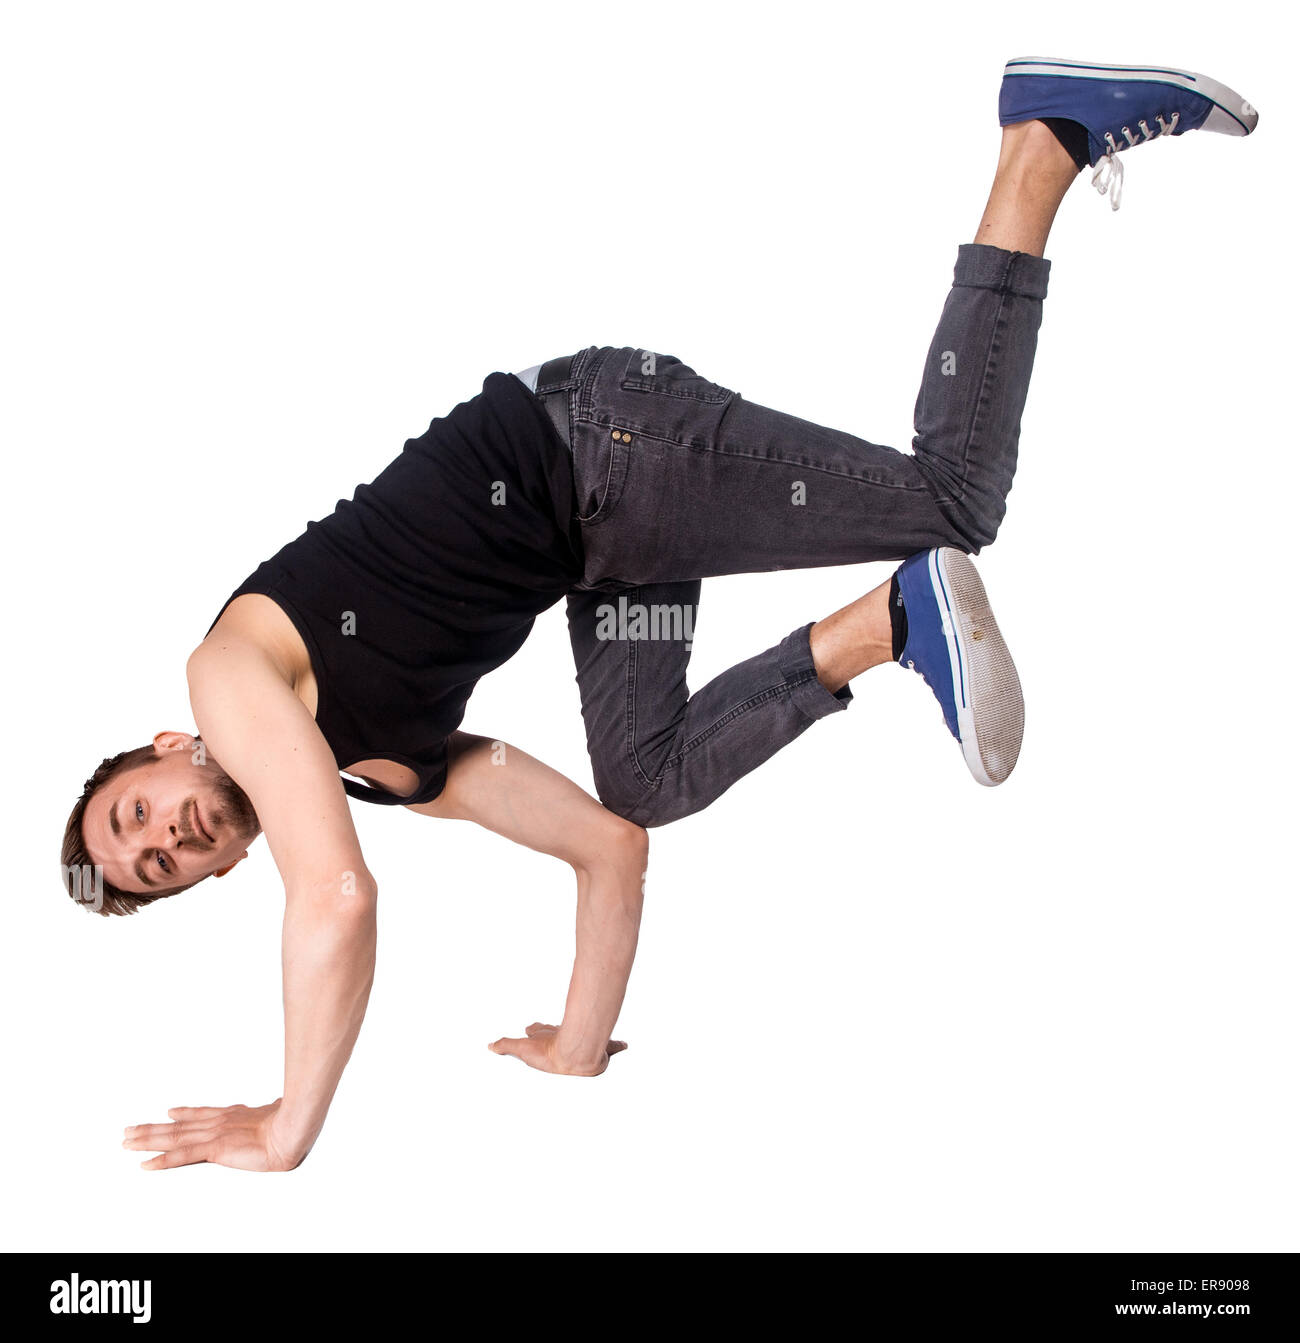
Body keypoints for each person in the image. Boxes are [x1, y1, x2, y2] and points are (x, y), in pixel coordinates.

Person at [59, 57, 1258, 1171]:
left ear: (164, 750)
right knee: (644, 779)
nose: (166, 837)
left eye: (137, 814)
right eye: (160, 866)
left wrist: (285, 1126)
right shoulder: (391, 773)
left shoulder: (226, 674)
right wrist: (579, 1045)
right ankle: (889, 621)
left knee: (948, 499)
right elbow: (606, 845)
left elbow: (335, 896)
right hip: (614, 557)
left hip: (608, 449)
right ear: (207, 876)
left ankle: (1039, 140)